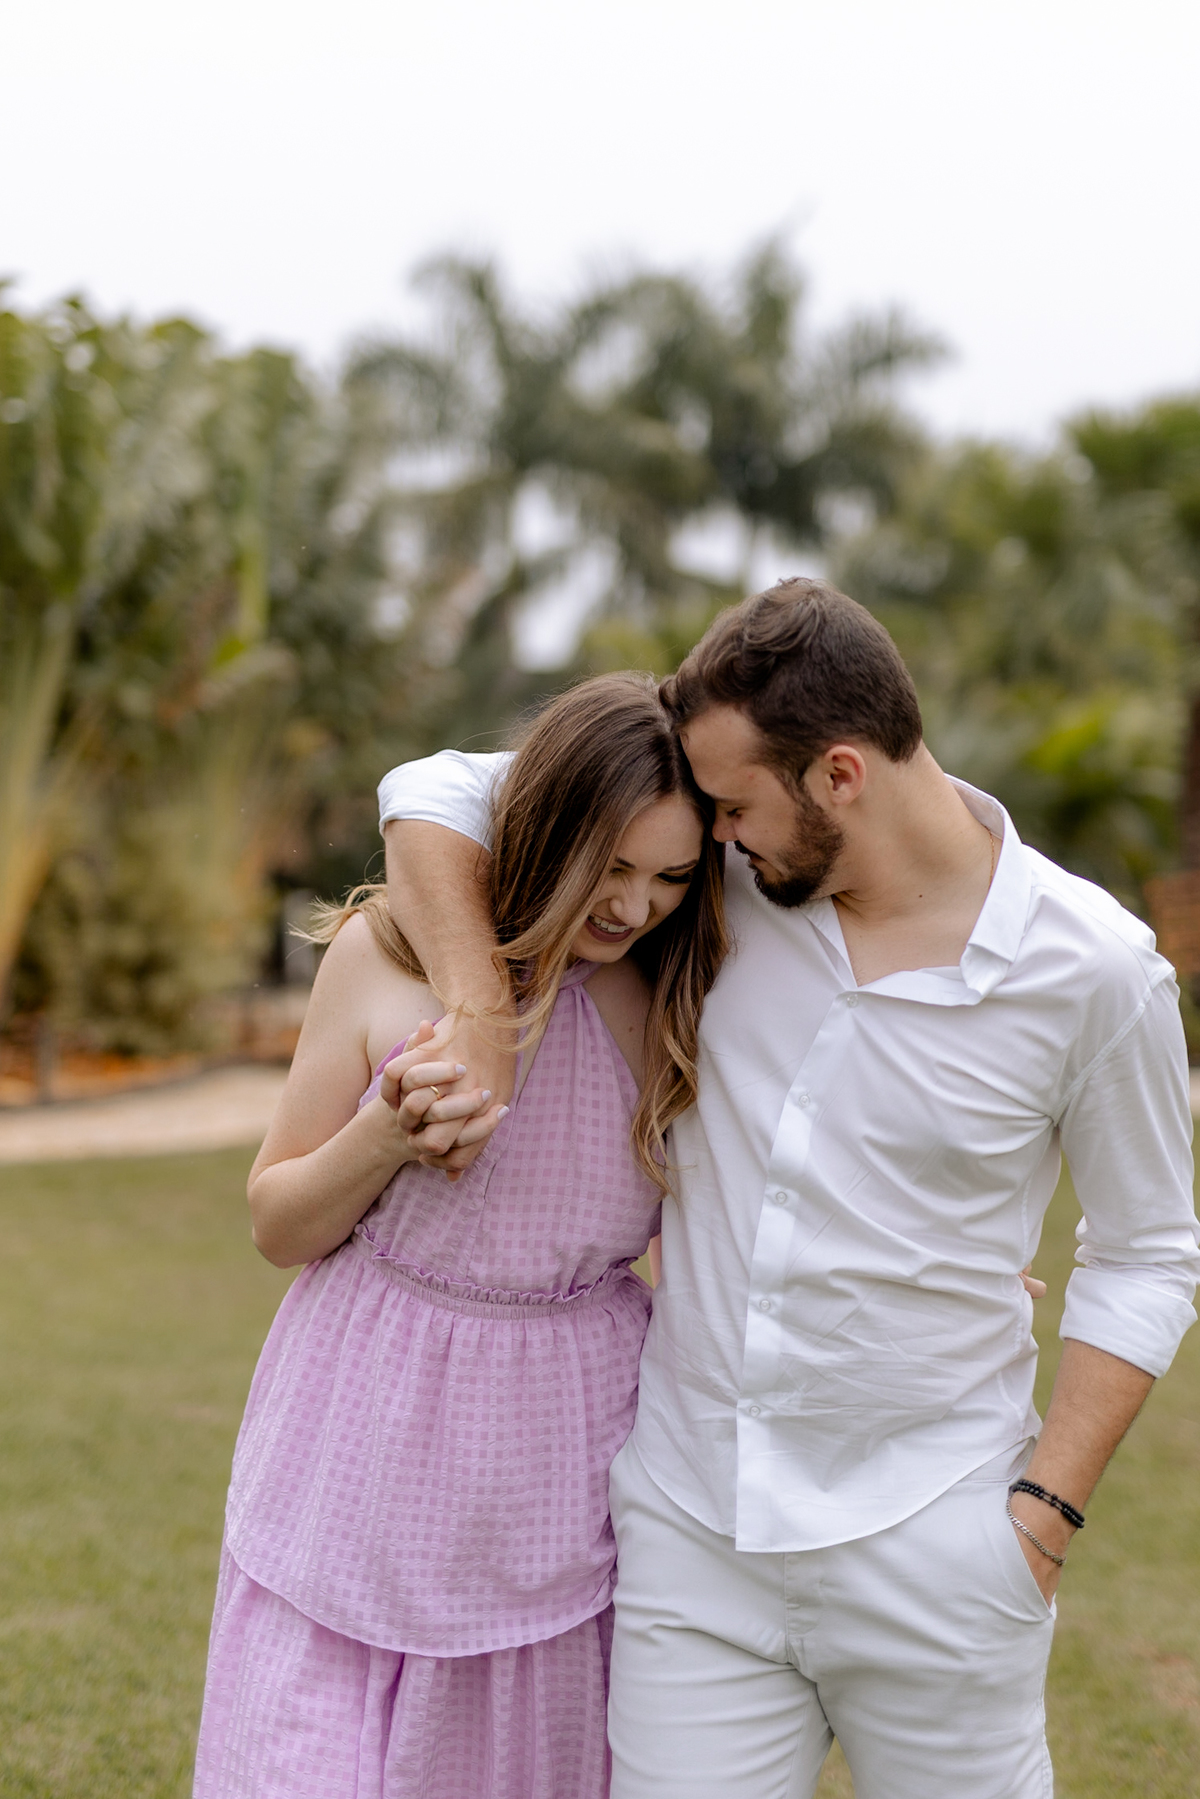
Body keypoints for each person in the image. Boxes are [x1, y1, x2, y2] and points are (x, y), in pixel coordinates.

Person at [378, 578, 1200, 1799]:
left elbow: (1147, 1252)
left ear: (841, 775)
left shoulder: (1097, 971)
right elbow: (434, 788)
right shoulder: (720, 886)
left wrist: (1041, 1513)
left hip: (943, 1539)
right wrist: (480, 1009)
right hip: (692, 1531)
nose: (707, 831)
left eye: (731, 801)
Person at [191, 672, 727, 1799]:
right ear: (547, 830)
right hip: (351, 1445)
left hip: (553, 1479)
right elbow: (278, 1221)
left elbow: (719, 1241)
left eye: (672, 877)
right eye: (614, 866)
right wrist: (383, 1131)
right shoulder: (384, 959)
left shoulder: (672, 1006)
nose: (634, 905)